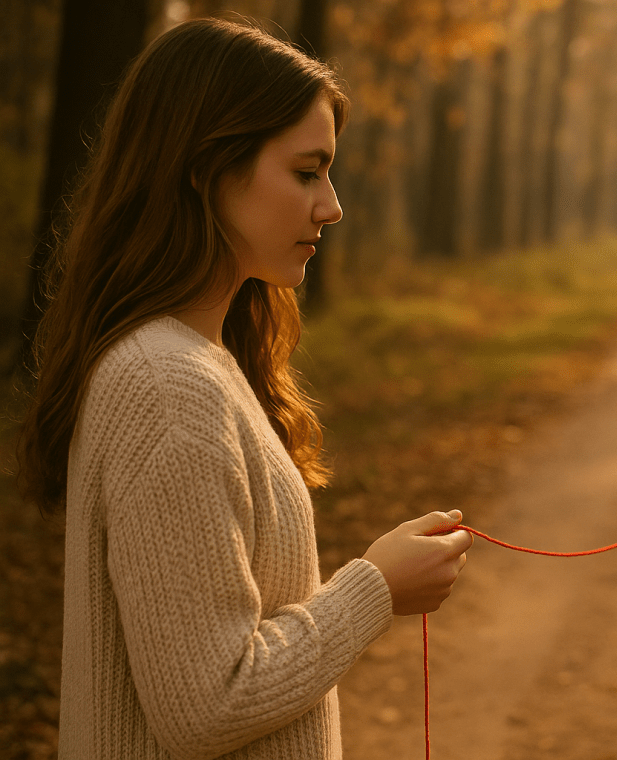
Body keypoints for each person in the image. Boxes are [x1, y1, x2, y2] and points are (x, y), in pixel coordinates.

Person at [16, 18, 473, 759]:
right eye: (305, 171)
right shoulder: (167, 385)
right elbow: (207, 705)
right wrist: (375, 589)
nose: (332, 205)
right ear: (207, 168)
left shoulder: (199, 361)